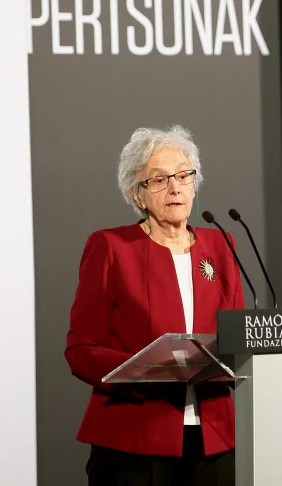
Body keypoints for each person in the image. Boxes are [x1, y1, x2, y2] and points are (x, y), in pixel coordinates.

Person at [65, 125, 243, 486]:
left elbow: (236, 338)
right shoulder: (112, 248)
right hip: (134, 441)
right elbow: (80, 350)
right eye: (159, 180)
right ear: (137, 194)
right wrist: (146, 369)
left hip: (213, 440)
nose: (175, 187)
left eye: (183, 175)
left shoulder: (222, 245)